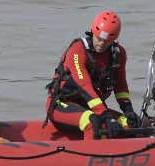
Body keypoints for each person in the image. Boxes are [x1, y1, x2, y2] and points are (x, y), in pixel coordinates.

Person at [45, 9, 135, 140]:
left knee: (126, 123)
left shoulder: (118, 53)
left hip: (91, 107)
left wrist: (128, 110)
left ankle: (125, 156)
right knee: (92, 122)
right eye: (98, 39)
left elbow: (120, 85)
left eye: (107, 41)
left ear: (114, 39)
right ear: (92, 31)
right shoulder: (77, 50)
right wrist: (104, 114)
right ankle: (94, 158)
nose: (101, 44)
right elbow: (84, 85)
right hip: (62, 105)